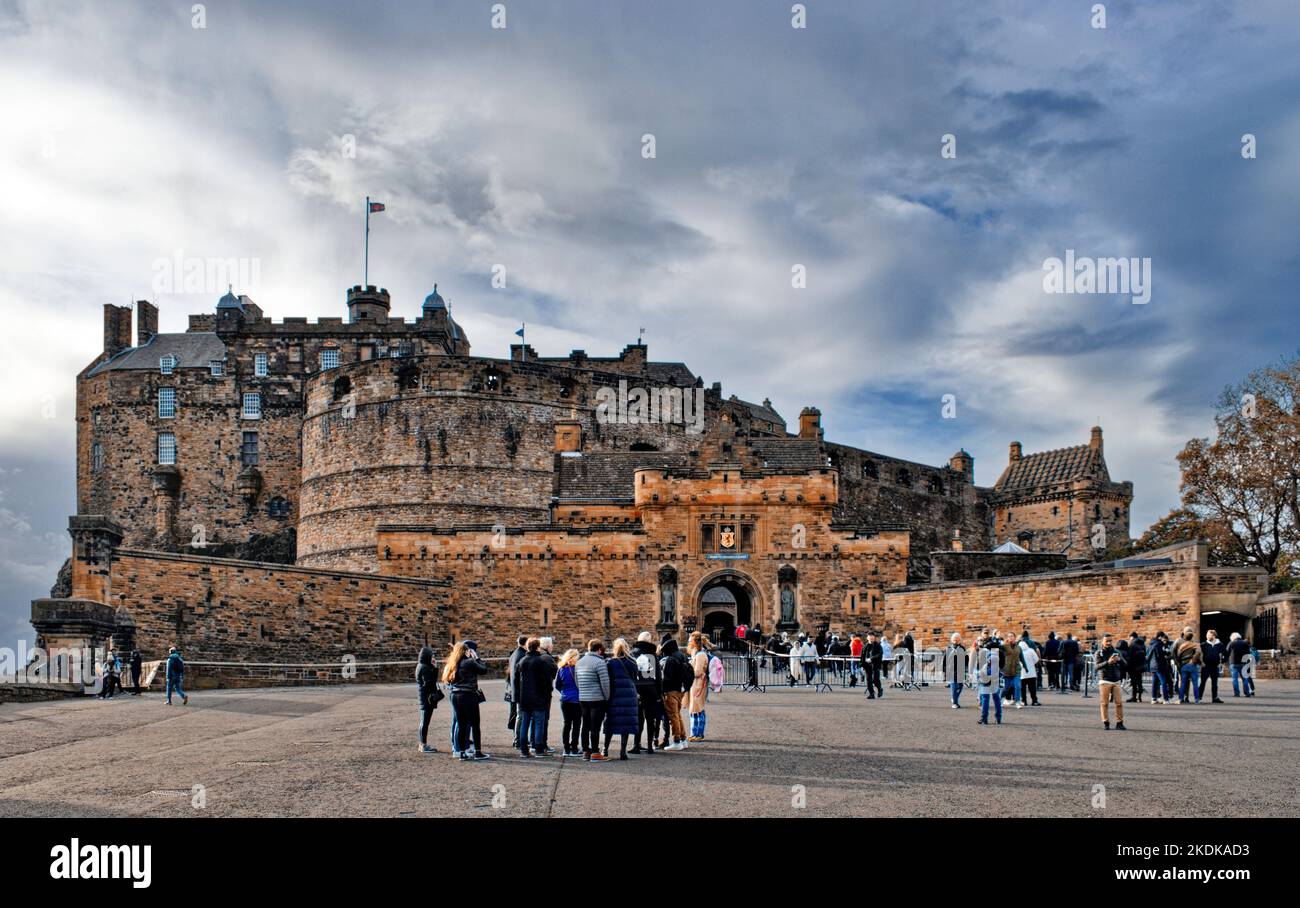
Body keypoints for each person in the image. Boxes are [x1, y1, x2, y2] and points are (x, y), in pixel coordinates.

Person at [443, 639, 490, 760]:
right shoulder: (469, 662)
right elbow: (483, 670)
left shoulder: (452, 664)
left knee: (461, 724)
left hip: (455, 695)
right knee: (475, 724)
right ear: (465, 651)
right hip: (468, 695)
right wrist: (477, 658)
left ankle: (461, 752)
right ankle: (478, 752)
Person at [516, 637, 558, 758]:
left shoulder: (522, 661)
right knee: (539, 722)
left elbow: (516, 679)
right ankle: (539, 749)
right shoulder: (541, 661)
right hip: (539, 697)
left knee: (525, 722)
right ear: (537, 647)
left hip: (525, 697)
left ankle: (524, 750)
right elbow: (547, 680)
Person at [603, 638, 640, 759]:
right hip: (629, 694)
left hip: (615, 694)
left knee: (611, 721)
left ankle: (605, 749)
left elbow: (607, 679)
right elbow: (635, 678)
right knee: (626, 723)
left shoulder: (611, 663)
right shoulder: (633, 662)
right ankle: (623, 751)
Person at [576, 639, 612, 762]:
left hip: (583, 698)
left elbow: (577, 682)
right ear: (599, 650)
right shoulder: (599, 662)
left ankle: (586, 751)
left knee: (585, 725)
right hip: (597, 698)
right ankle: (595, 752)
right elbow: (605, 683)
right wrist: (607, 697)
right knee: (595, 726)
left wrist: (582, 692)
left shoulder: (579, 662)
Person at [631, 631, 663, 754]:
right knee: (650, 718)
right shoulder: (653, 656)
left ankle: (636, 744)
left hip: (637, 690)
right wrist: (659, 693)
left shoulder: (633, 654)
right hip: (651, 689)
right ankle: (649, 745)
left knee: (638, 718)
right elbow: (658, 677)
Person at [658, 635, 692, 750]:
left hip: (670, 691)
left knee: (673, 716)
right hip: (680, 690)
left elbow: (666, 678)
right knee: (677, 715)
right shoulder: (682, 656)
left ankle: (677, 741)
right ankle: (683, 739)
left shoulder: (670, 660)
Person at [1095, 633, 1128, 730]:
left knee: (1119, 703)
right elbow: (1096, 667)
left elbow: (1125, 664)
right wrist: (1107, 662)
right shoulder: (1099, 653)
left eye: (1110, 641)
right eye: (1107, 641)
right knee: (1104, 703)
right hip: (1105, 680)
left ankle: (1119, 723)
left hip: (1116, 680)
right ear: (1103, 642)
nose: (1109, 643)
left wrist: (1119, 660)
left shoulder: (1116, 651)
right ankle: (1106, 722)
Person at [554, 648, 583, 756]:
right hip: (576, 700)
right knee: (576, 724)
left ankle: (566, 749)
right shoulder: (577, 669)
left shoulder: (561, 669)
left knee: (566, 724)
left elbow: (557, 685)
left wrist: (564, 692)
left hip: (565, 700)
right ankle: (574, 748)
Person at [415, 645, 441, 753]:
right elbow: (429, 683)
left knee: (423, 722)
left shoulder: (420, 665)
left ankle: (422, 744)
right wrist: (434, 669)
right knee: (425, 722)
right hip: (426, 697)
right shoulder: (425, 667)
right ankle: (423, 745)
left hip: (423, 697)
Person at [687, 632, 712, 740]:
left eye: (690, 640)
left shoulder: (701, 655)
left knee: (698, 709)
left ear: (695, 643)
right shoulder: (697, 654)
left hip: (699, 684)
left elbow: (697, 672)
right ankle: (694, 733)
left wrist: (687, 670)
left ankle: (699, 733)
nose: (688, 642)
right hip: (695, 684)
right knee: (693, 709)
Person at [505, 634, 528, 748]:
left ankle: (519, 738)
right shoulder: (521, 655)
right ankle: (518, 739)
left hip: (515, 690)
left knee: (518, 715)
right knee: (520, 716)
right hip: (520, 691)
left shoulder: (514, 653)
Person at [976, 639, 1002, 726]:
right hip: (995, 679)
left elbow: (988, 670)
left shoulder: (991, 656)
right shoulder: (997, 656)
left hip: (987, 679)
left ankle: (984, 718)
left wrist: (980, 673)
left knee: (985, 699)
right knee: (996, 698)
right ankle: (998, 718)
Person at [1174, 626, 1202, 704]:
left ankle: (1180, 699)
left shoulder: (1180, 643)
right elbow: (1198, 653)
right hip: (1192, 665)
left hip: (1184, 665)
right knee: (1195, 683)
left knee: (1183, 683)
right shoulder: (1195, 644)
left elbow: (1177, 654)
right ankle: (1197, 700)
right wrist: (1194, 661)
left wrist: (1178, 663)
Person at [1148, 631, 1174, 704]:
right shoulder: (1159, 644)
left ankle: (1154, 698)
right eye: (1162, 637)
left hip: (1152, 666)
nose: (1163, 639)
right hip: (1159, 665)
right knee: (1163, 682)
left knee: (1154, 683)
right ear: (1160, 636)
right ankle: (1166, 699)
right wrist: (1165, 654)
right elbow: (1160, 655)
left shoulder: (1151, 643)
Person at [1226, 632, 1253, 698]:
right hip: (1243, 663)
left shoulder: (1231, 643)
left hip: (1234, 663)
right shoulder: (1245, 643)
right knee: (1245, 679)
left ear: (1232, 638)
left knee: (1235, 679)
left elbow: (1226, 653)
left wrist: (1226, 662)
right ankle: (1247, 693)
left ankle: (1237, 693)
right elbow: (1248, 654)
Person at [944, 633, 967, 708]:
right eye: (954, 639)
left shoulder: (962, 648)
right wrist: (944, 671)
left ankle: (954, 698)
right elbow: (944, 660)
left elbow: (966, 659)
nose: (956, 640)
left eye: (957, 639)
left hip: (960, 670)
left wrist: (966, 668)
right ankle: (955, 703)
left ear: (960, 640)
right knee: (954, 686)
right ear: (952, 640)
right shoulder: (949, 649)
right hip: (951, 670)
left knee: (960, 686)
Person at [1018, 631, 1041, 706]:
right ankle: (1034, 700)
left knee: (1023, 689)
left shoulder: (1017, 651)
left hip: (1021, 673)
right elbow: (1036, 659)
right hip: (1031, 672)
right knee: (1032, 688)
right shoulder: (1030, 650)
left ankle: (1024, 700)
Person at [1000, 635, 1022, 707]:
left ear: (1014, 638)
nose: (1011, 637)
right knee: (1006, 687)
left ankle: (1017, 701)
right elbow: (998, 648)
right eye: (1009, 636)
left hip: (1016, 670)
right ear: (1007, 638)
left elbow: (1022, 657)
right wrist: (1003, 643)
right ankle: (1001, 699)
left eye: (1012, 636)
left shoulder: (1018, 647)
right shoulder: (1004, 646)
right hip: (1007, 670)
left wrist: (1026, 666)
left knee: (1018, 686)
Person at [862, 631, 884, 699]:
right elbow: (862, 655)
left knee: (875, 679)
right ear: (867, 638)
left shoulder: (878, 645)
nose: (871, 638)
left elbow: (880, 654)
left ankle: (880, 689)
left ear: (874, 638)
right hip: (867, 665)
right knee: (868, 680)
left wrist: (871, 659)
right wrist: (862, 664)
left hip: (875, 665)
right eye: (870, 637)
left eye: (872, 637)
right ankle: (871, 693)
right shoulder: (865, 646)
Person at [1127, 633, 1147, 703]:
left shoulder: (1132, 645)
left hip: (1134, 666)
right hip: (1141, 665)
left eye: (1130, 638)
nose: (1129, 639)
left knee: (1134, 682)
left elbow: (1130, 656)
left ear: (1132, 637)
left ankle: (1134, 697)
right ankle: (1140, 697)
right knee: (1139, 681)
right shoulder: (1142, 644)